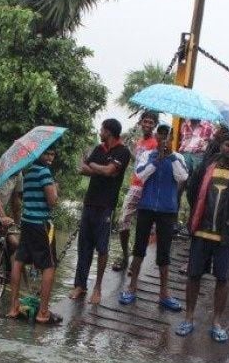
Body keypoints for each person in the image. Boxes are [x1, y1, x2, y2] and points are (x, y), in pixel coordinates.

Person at [177, 133, 229, 343]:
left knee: (223, 279)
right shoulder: (205, 167)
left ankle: (217, 322)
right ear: (220, 146)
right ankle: (188, 318)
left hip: (226, 236)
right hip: (201, 231)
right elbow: (192, 192)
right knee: (194, 275)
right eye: (227, 145)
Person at [121, 124, 188, 310]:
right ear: (157, 136)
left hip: (167, 211)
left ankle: (164, 293)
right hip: (146, 207)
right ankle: (131, 287)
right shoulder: (146, 155)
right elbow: (140, 175)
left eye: (168, 135)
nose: (164, 138)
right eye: (161, 134)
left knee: (164, 252)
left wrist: (170, 156)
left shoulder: (178, 157)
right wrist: (157, 159)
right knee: (139, 248)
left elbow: (182, 177)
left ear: (172, 137)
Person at [69, 118, 132, 304]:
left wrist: (96, 167)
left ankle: (97, 288)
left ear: (109, 132)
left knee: (103, 248)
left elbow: (108, 171)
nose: (99, 132)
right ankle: (80, 285)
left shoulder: (123, 152)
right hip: (90, 203)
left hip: (106, 206)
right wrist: (98, 168)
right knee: (84, 246)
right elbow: (84, 169)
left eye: (102, 129)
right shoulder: (99, 148)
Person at [5, 147, 61, 325]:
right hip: (40, 225)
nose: (50, 157)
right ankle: (43, 312)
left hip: (27, 222)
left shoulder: (28, 173)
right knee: (49, 265)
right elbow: (52, 202)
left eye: (52, 154)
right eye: (47, 153)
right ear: (40, 155)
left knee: (19, 260)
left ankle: (14, 307)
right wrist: (56, 190)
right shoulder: (44, 173)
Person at [113, 111, 160, 273]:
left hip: (147, 187)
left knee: (143, 226)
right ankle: (125, 255)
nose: (147, 125)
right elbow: (139, 162)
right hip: (135, 185)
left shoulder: (156, 143)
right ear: (140, 123)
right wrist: (129, 151)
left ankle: (135, 261)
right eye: (145, 122)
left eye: (151, 123)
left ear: (155, 125)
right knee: (123, 220)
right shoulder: (140, 142)